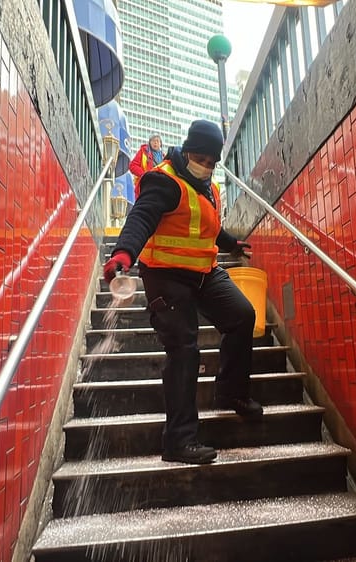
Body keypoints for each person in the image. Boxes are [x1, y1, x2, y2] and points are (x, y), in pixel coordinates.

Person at [103, 120, 262, 465]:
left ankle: (231, 393)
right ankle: (178, 441)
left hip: (203, 272)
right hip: (165, 275)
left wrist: (231, 245)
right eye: (200, 158)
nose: (205, 165)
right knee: (184, 350)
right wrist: (123, 254)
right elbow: (141, 218)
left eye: (211, 161)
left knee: (242, 315)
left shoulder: (208, 186)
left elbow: (207, 225)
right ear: (187, 151)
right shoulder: (163, 180)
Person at [128, 134, 164, 199]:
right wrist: (145, 175)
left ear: (160, 144)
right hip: (145, 187)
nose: (155, 142)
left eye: (157, 141)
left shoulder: (164, 157)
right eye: (153, 140)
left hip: (159, 189)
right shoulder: (143, 152)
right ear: (150, 143)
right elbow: (132, 166)